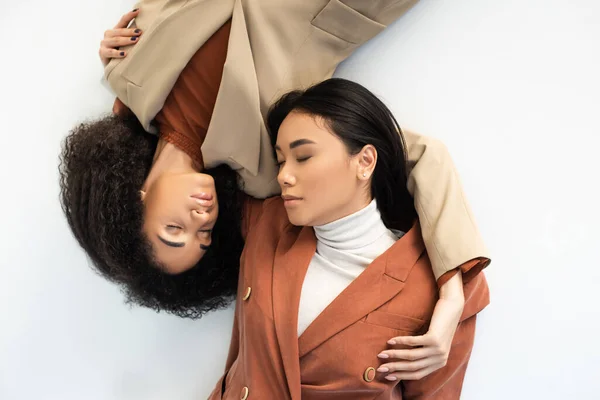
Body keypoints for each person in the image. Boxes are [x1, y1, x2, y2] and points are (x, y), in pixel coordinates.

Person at [59, 2, 490, 380]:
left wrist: (128, 48)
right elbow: (415, 155)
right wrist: (453, 293)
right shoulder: (268, 162)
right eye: (203, 238)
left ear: (139, 202)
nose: (200, 221)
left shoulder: (127, 72)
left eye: (175, 230)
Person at [207, 78, 489, 399]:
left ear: (366, 161)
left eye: (303, 157)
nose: (283, 175)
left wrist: (416, 149)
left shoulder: (438, 287)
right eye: (281, 159)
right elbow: (217, 119)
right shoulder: (267, 223)